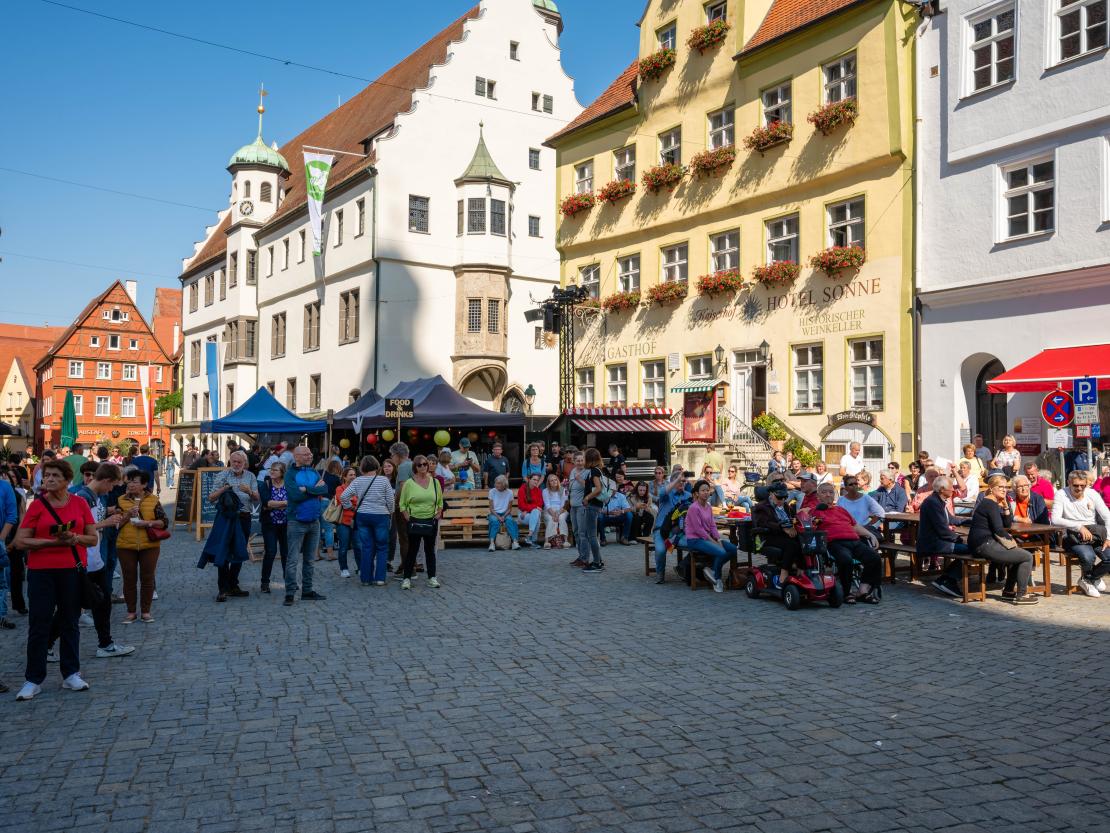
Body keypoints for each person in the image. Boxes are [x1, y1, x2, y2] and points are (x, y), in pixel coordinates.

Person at [14, 459, 97, 700]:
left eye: (54, 476)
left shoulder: (80, 503)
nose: (48, 479)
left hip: (71, 569)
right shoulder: (38, 506)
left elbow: (93, 539)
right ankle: (33, 679)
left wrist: (74, 538)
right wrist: (52, 542)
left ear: (67, 480)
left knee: (70, 622)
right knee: (39, 623)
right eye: (47, 475)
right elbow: (21, 541)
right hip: (41, 572)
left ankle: (71, 673)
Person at [969, 475, 1038, 604]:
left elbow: (1007, 524)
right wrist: (1012, 541)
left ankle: (1008, 591)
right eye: (1000, 487)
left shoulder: (991, 502)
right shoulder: (990, 504)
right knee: (1027, 556)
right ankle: (1022, 595)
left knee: (1018, 556)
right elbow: (999, 529)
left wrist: (1006, 506)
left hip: (983, 543)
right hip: (984, 545)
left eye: (1005, 487)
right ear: (991, 488)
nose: (1004, 490)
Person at [812, 483, 882, 603]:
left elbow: (854, 526)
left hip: (854, 540)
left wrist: (869, 534)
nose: (828, 494)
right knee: (846, 560)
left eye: (831, 492)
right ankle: (846, 592)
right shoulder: (815, 512)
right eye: (824, 492)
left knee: (875, 558)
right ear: (818, 496)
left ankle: (862, 591)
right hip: (835, 543)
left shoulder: (841, 510)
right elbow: (809, 528)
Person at [114, 469, 167, 623]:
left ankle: (145, 611)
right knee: (129, 578)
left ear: (144, 484)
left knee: (147, 578)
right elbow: (116, 524)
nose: (130, 484)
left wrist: (147, 523)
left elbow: (164, 522)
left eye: (135, 481)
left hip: (149, 545)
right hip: (126, 545)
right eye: (129, 481)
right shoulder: (121, 500)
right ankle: (131, 612)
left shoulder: (153, 500)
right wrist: (127, 515)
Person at [206, 451, 257, 602]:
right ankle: (222, 588)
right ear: (230, 461)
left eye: (239, 462)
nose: (236, 464)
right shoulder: (223, 475)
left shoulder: (251, 476)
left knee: (239, 551)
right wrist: (224, 488)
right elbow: (211, 498)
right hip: (226, 519)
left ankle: (233, 585)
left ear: (245, 463)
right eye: (233, 461)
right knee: (224, 551)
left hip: (243, 517)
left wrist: (248, 491)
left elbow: (257, 498)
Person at [1051, 470, 1110, 597]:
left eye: (1082, 485)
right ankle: (1091, 580)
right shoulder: (1061, 494)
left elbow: (1107, 515)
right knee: (1088, 556)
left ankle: (1089, 578)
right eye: (1076, 485)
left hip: (1094, 535)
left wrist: (1109, 538)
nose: (1079, 488)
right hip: (1072, 535)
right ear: (1068, 483)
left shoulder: (1092, 493)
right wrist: (1079, 526)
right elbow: (1055, 519)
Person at [283, 446, 327, 606]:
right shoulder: (290, 474)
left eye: (310, 453)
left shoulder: (314, 471)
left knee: (310, 560)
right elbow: (295, 495)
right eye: (306, 454)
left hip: (314, 521)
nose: (310, 455)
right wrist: (315, 490)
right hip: (296, 521)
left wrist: (308, 489)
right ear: (297, 457)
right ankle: (289, 593)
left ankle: (307, 591)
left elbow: (325, 488)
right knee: (293, 559)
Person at [342, 456, 396, 587]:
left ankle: (366, 579)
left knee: (366, 547)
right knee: (382, 547)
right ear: (377, 466)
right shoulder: (383, 480)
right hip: (380, 515)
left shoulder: (357, 481)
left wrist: (351, 507)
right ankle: (380, 579)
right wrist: (390, 511)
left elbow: (344, 497)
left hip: (363, 515)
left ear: (362, 468)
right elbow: (390, 500)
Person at [920, 477, 972, 598]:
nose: (953, 490)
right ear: (942, 489)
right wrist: (959, 539)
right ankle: (950, 580)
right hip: (933, 543)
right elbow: (943, 530)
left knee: (968, 548)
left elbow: (951, 519)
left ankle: (945, 578)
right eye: (951, 488)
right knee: (973, 550)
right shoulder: (933, 503)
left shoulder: (938, 501)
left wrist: (968, 521)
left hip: (938, 540)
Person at [398, 455, 444, 590]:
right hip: (414, 520)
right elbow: (402, 504)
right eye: (420, 465)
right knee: (412, 550)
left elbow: (440, 501)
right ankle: (406, 578)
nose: (423, 467)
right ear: (415, 467)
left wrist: (438, 514)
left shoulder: (435, 482)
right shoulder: (409, 483)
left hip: (430, 520)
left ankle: (432, 577)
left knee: (430, 551)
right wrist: (408, 517)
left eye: (425, 464)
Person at [684, 479, 738, 593]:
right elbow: (699, 530)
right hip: (695, 539)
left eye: (707, 490)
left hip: (708, 537)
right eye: (703, 490)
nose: (706, 492)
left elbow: (713, 525)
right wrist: (714, 542)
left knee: (733, 549)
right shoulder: (693, 508)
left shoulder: (708, 506)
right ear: (697, 493)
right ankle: (717, 578)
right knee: (722, 552)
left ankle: (713, 570)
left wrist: (718, 539)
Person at [752, 482, 804, 590]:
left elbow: (793, 519)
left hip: (785, 535)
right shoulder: (761, 507)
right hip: (768, 536)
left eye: (785, 497)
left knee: (804, 541)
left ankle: (800, 568)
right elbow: (764, 523)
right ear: (771, 494)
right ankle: (783, 575)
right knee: (791, 545)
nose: (782, 500)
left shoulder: (785, 506)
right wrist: (782, 528)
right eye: (779, 497)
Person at [258, 461, 290, 592]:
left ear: (282, 472)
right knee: (270, 552)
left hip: (286, 523)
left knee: (286, 554)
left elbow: (294, 500)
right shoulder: (266, 483)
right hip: (269, 523)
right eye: (271, 469)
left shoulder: (288, 484)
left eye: (275, 470)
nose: (272, 472)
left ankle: (288, 581)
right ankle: (265, 582)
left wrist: (277, 504)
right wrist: (285, 503)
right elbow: (267, 503)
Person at [578, 449, 606, 571]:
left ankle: (596, 563)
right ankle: (598, 560)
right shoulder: (598, 470)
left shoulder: (594, 471)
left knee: (592, 536)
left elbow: (598, 489)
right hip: (596, 505)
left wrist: (587, 497)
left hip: (592, 505)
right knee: (592, 535)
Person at [332, 467, 360, 578]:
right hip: (343, 521)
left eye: (354, 474)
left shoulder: (358, 488)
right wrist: (354, 504)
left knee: (358, 546)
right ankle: (344, 568)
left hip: (356, 521)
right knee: (343, 546)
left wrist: (351, 502)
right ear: (344, 477)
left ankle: (360, 568)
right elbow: (342, 500)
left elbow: (359, 501)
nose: (353, 476)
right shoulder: (340, 488)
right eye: (350, 475)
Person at [391, 442, 413, 567]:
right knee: (409, 538)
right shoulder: (411, 464)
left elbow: (404, 488)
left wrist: (397, 504)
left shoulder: (403, 467)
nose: (392, 457)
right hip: (411, 507)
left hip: (404, 508)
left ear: (398, 455)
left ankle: (407, 568)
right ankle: (409, 565)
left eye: (392, 455)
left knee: (404, 539)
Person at [487, 475, 521, 551]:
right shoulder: (492, 491)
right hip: (494, 513)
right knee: (495, 521)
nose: (496, 485)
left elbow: (509, 509)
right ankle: (492, 543)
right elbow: (491, 509)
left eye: (498, 483)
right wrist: (499, 517)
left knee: (510, 521)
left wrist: (504, 516)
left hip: (506, 513)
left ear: (504, 484)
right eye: (495, 483)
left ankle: (515, 542)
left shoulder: (509, 492)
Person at [318, 460, 343, 561]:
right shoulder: (336, 478)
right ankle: (330, 554)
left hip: (316, 502)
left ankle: (316, 555)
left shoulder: (320, 473)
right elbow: (337, 494)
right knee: (328, 529)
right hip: (327, 503)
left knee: (317, 529)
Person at [541, 473, 569, 548]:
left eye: (555, 480)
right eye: (551, 481)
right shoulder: (545, 491)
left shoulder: (563, 490)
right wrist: (554, 515)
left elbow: (564, 504)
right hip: (549, 510)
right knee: (551, 519)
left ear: (558, 480)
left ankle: (566, 541)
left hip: (561, 510)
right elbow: (547, 505)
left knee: (561, 518)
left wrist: (558, 514)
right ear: (548, 483)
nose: (554, 482)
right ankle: (547, 542)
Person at [516, 473, 544, 548]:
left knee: (536, 513)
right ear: (529, 480)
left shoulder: (538, 491)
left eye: (537, 480)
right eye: (534, 479)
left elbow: (540, 505)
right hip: (523, 515)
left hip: (530, 513)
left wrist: (528, 509)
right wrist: (533, 507)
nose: (536, 481)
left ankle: (530, 535)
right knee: (536, 516)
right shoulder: (522, 489)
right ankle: (533, 540)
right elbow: (521, 505)